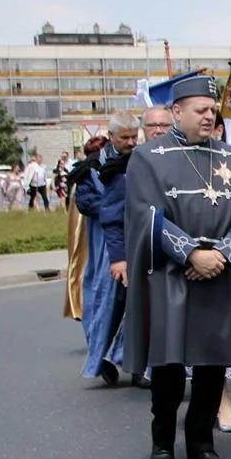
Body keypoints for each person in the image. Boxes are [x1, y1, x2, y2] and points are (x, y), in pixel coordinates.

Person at [122, 75, 231, 459]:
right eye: (200, 110)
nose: (209, 117)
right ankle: (163, 442)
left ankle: (202, 442)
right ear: (176, 111)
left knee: (212, 367)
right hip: (172, 276)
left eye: (212, 110)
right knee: (169, 367)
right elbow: (144, 216)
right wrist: (191, 254)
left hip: (217, 276)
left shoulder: (230, 156)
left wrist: (220, 254)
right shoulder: (149, 157)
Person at [102, 107, 172, 390]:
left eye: (163, 125)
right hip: (139, 250)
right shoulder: (128, 166)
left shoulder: (176, 157)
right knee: (138, 311)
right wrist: (119, 258)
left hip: (170, 248)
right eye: (152, 125)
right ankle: (135, 365)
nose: (158, 130)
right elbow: (112, 216)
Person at [74, 114, 139, 385]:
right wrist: (115, 205)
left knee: (137, 302)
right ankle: (101, 356)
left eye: (134, 136)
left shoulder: (143, 160)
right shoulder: (91, 167)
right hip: (105, 241)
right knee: (104, 299)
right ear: (111, 137)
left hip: (137, 237)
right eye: (124, 137)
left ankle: (131, 359)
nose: (130, 142)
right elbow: (84, 201)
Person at [62, 138, 106, 322]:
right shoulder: (91, 170)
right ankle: (81, 303)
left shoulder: (83, 169)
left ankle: (78, 303)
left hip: (82, 216)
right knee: (87, 261)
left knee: (80, 260)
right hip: (88, 221)